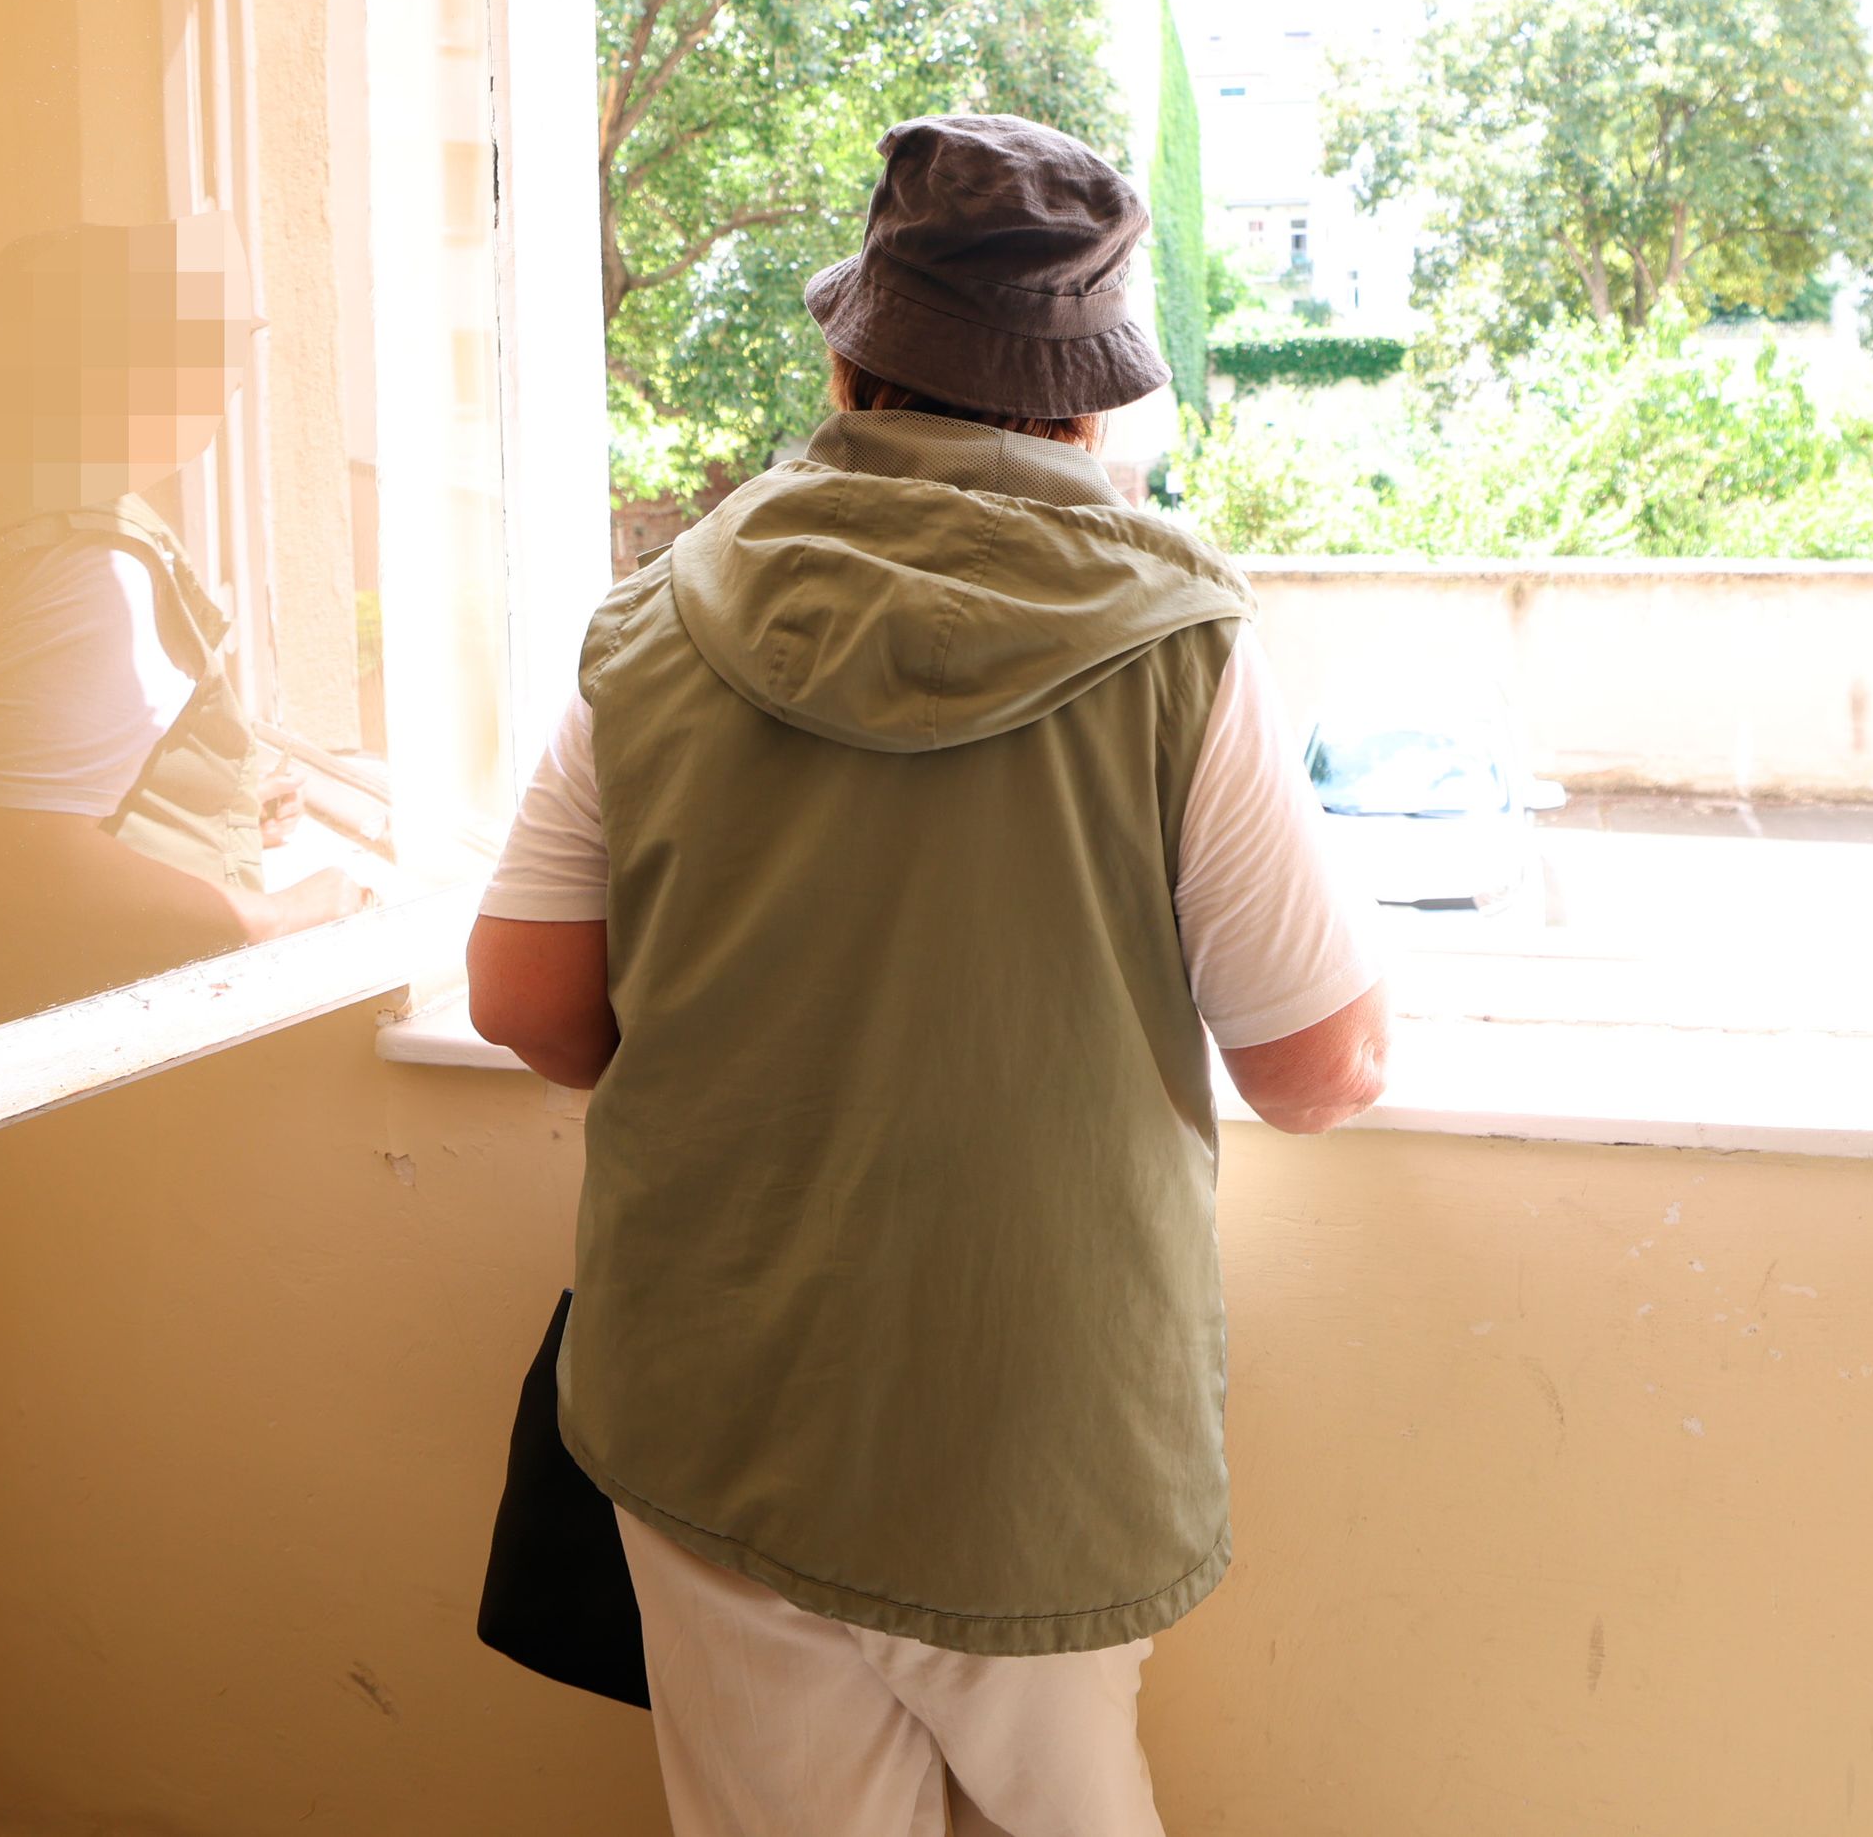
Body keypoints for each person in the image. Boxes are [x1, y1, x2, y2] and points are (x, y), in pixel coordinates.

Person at [467, 115, 1393, 1837]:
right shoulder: (1174, 636)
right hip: (1027, 1427)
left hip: (715, 1392)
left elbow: (525, 997)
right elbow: (1315, 1067)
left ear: (851, 355)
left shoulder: (661, 612)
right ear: (1089, 398)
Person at [0, 214, 368, 1019]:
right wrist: (271, 916)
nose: (238, 369)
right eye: (217, 347)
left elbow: (36, 753)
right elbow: (9, 855)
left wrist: (213, 802)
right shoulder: (85, 566)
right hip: (99, 1032)